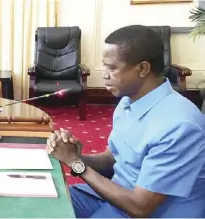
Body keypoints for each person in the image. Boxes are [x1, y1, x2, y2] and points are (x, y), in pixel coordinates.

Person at [46, 25, 205, 218]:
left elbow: (141, 207)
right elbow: (112, 159)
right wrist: (74, 156)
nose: (104, 74)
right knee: (43, 206)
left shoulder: (180, 126)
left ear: (143, 69)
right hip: (113, 196)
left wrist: (76, 164)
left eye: (112, 68)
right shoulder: (127, 102)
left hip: (146, 211)